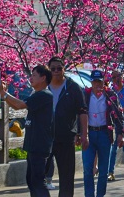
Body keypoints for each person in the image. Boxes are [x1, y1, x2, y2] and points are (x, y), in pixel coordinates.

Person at [0, 65, 54, 197]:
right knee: (32, 181)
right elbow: (17, 106)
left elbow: (19, 105)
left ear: (43, 78)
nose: (30, 78)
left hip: (40, 145)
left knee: (38, 181)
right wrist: (4, 94)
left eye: (34, 75)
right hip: (33, 144)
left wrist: (3, 93)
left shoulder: (44, 95)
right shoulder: (37, 94)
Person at [46, 56, 89, 197]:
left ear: (64, 69)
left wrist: (84, 134)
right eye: (53, 69)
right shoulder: (43, 86)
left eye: (59, 68)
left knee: (66, 176)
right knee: (39, 175)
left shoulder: (72, 87)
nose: (56, 71)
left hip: (66, 136)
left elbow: (82, 111)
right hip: (46, 137)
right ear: (49, 70)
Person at [83, 69, 124, 197]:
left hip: (105, 134)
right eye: (95, 82)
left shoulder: (110, 95)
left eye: (99, 82)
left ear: (104, 82)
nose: (97, 85)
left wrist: (120, 134)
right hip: (90, 133)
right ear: (91, 82)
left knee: (104, 170)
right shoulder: (86, 95)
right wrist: (80, 134)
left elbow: (118, 114)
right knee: (88, 168)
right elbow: (78, 115)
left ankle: (100, 194)